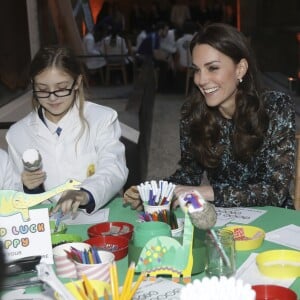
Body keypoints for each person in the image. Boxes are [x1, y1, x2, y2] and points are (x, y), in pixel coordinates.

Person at [123, 22, 296, 210]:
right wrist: (154, 191)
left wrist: (206, 192)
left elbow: (274, 191)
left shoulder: (276, 107)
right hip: (222, 218)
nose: (201, 80)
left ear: (240, 69)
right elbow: (188, 176)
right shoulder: (193, 114)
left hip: (274, 221)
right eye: (197, 69)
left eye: (212, 68)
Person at [6, 45, 128, 215]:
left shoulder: (102, 118)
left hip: (99, 219)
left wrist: (84, 193)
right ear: (33, 85)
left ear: (77, 82)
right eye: (42, 89)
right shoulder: (17, 134)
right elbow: (12, 196)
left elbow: (114, 168)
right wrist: (28, 188)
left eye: (62, 88)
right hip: (47, 226)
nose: (52, 97)